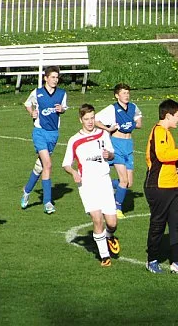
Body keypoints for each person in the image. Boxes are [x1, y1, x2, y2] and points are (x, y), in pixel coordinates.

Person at [62, 104, 120, 267]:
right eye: (86, 119)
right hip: (87, 184)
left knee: (112, 223)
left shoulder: (103, 134)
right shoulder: (74, 140)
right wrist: (74, 173)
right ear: (81, 120)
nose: (89, 122)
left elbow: (111, 153)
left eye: (92, 118)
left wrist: (110, 155)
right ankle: (104, 257)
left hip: (104, 180)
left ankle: (109, 237)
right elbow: (66, 164)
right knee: (97, 219)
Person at [144, 99, 178, 275]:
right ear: (168, 116)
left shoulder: (166, 132)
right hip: (158, 186)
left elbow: (166, 157)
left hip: (173, 185)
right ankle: (152, 259)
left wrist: (177, 163)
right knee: (158, 224)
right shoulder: (159, 131)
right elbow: (162, 155)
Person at [21, 66, 68, 214]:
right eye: (52, 77)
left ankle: (27, 190)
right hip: (39, 132)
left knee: (40, 166)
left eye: (57, 77)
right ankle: (47, 202)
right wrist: (32, 112)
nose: (55, 80)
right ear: (45, 78)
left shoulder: (62, 93)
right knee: (48, 164)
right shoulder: (37, 92)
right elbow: (27, 104)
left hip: (53, 134)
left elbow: (64, 108)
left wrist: (62, 109)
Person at [95, 83, 143, 219]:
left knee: (129, 183)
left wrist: (137, 123)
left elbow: (139, 118)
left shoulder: (133, 107)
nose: (126, 95)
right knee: (123, 180)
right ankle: (117, 208)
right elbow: (96, 119)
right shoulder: (112, 109)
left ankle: (104, 185)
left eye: (127, 93)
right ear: (117, 96)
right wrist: (108, 129)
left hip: (129, 145)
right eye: (123, 93)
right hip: (116, 145)